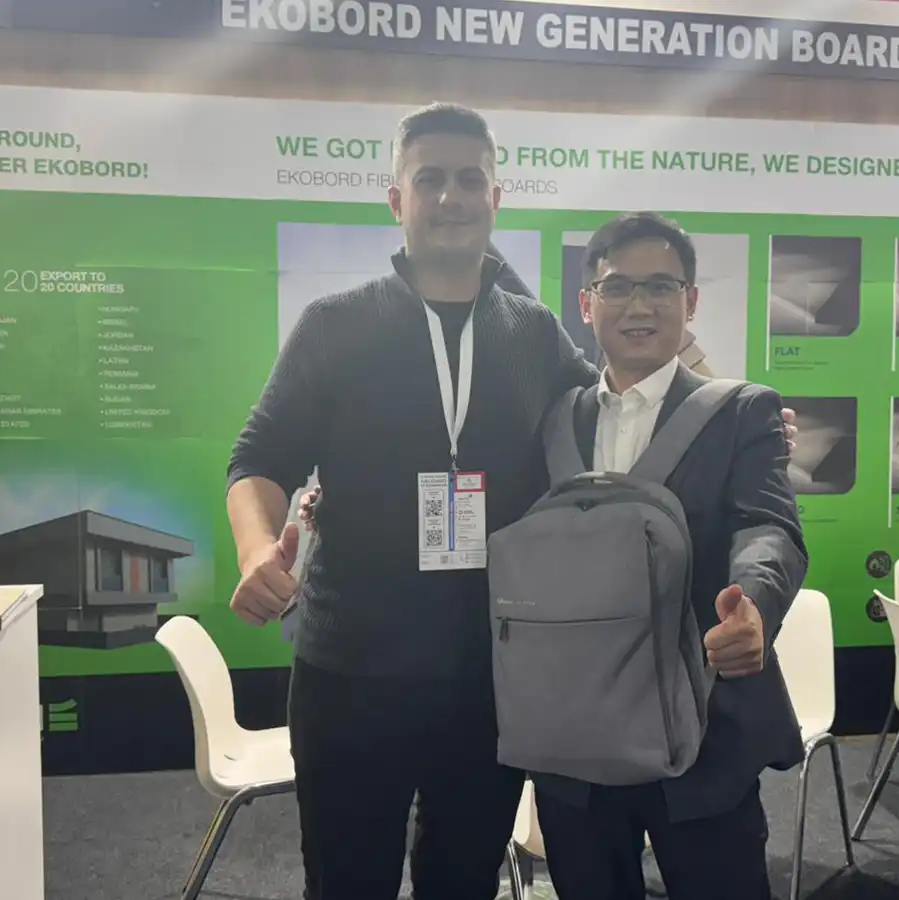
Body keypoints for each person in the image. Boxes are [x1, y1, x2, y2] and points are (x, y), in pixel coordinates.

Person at [228, 102, 797, 899]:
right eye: (430, 179)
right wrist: (257, 548)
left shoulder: (531, 332)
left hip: (488, 677)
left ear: (496, 198)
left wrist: (734, 416)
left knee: (462, 881)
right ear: (396, 198)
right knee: (346, 881)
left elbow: (625, 398)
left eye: (470, 180)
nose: (451, 197)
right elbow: (258, 458)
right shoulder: (335, 326)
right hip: (352, 671)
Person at [531, 212, 807, 900]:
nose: (640, 305)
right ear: (587, 304)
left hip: (701, 728)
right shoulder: (553, 420)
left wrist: (754, 605)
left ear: (691, 302)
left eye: (661, 286)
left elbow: (768, 526)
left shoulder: (742, 412)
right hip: (576, 734)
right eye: (618, 287)